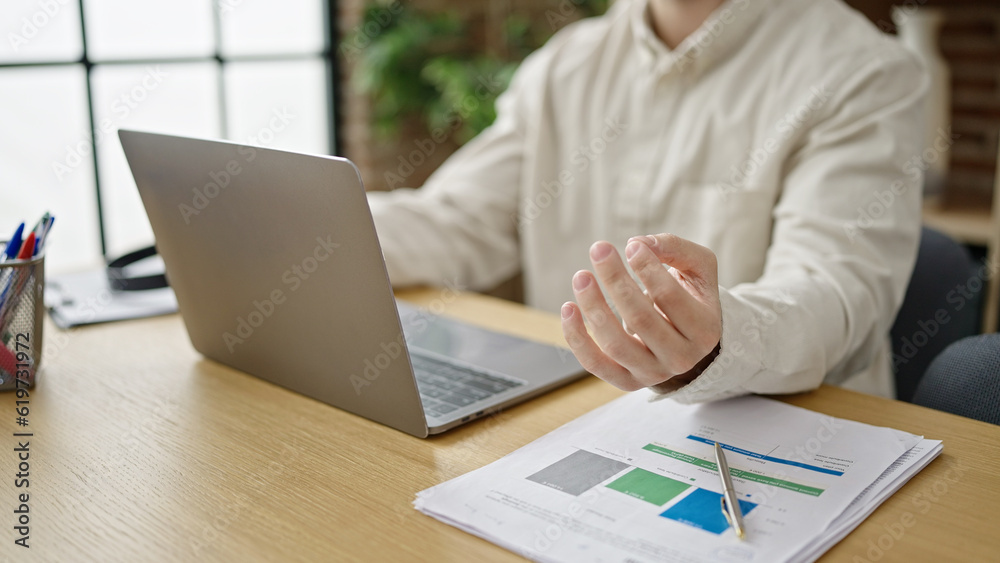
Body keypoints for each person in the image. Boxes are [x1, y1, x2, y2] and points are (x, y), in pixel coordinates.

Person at [366, 0, 927, 403]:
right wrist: (310, 235)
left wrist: (723, 335)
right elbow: (458, 219)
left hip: (776, 438)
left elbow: (836, 294)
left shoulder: (864, 71)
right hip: (571, 419)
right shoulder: (565, 63)